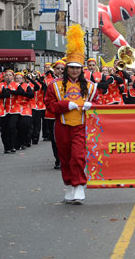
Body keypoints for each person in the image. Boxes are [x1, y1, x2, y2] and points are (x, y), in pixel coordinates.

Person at [44, 25, 99, 204]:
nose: (74, 71)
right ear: (66, 68)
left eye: (77, 68)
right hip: (62, 125)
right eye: (71, 68)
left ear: (81, 69)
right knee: (65, 157)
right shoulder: (54, 85)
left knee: (78, 156)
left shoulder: (91, 86)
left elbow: (99, 106)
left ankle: (79, 185)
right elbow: (50, 105)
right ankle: (69, 184)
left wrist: (93, 105)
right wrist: (66, 105)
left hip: (81, 126)